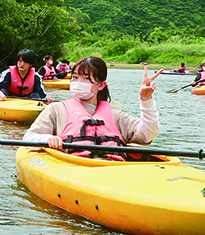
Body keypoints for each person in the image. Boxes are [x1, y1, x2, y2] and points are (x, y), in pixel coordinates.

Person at [24, 58, 162, 160]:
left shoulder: (116, 117)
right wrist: (48, 138)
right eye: (76, 77)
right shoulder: (56, 110)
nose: (78, 82)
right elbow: (28, 138)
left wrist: (146, 100)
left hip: (111, 169)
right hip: (73, 167)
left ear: (100, 85)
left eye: (86, 78)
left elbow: (149, 133)